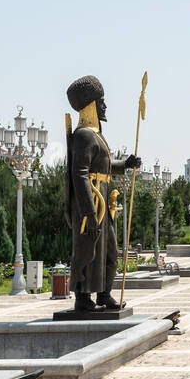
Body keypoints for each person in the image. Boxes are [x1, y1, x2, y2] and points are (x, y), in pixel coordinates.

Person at [65, 76, 140, 313]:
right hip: (90, 205)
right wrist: (88, 211)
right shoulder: (84, 135)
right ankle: (82, 297)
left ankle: (104, 294)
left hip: (102, 204)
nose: (105, 106)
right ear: (90, 106)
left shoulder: (96, 135)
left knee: (109, 251)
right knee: (88, 250)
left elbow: (104, 167)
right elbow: (80, 173)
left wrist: (124, 164)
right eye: (101, 102)